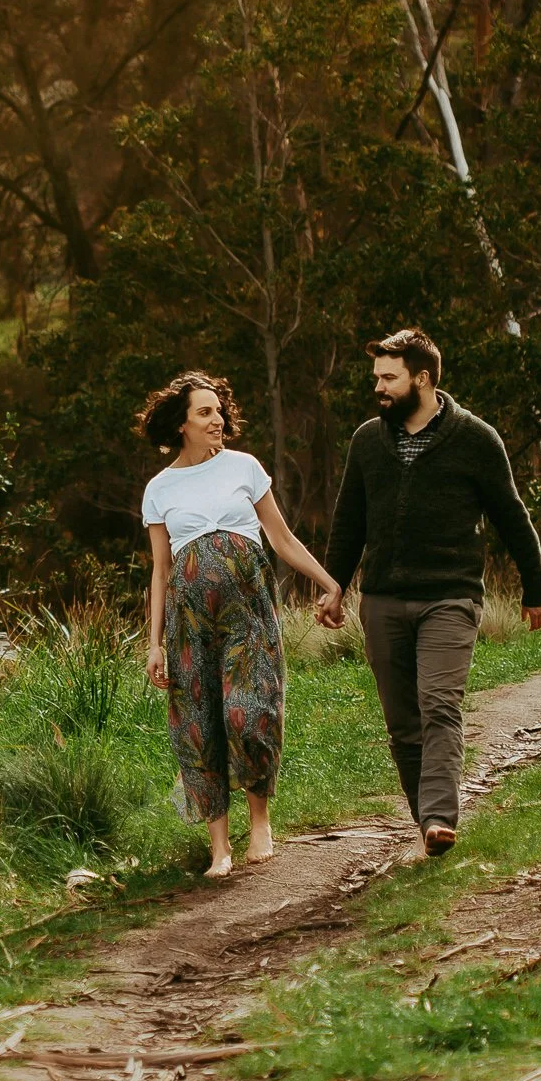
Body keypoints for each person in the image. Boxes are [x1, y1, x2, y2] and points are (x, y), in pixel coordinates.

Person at [322, 328, 541, 858]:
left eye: (388, 377)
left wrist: (535, 589)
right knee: (403, 724)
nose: (378, 387)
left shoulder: (475, 438)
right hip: (381, 600)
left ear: (421, 379)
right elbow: (347, 522)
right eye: (376, 377)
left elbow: (512, 517)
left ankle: (441, 817)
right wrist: (334, 588)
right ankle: (426, 820)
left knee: (439, 704)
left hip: (451, 595)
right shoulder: (367, 441)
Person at [139, 372, 344, 880]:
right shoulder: (160, 488)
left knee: (247, 713)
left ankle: (260, 826)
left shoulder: (244, 467)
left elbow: (282, 539)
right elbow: (161, 570)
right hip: (188, 623)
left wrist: (330, 583)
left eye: (219, 410)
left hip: (248, 613)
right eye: (204, 412)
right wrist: (154, 643)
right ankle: (219, 848)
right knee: (199, 723)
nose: (218, 420)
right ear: (181, 423)